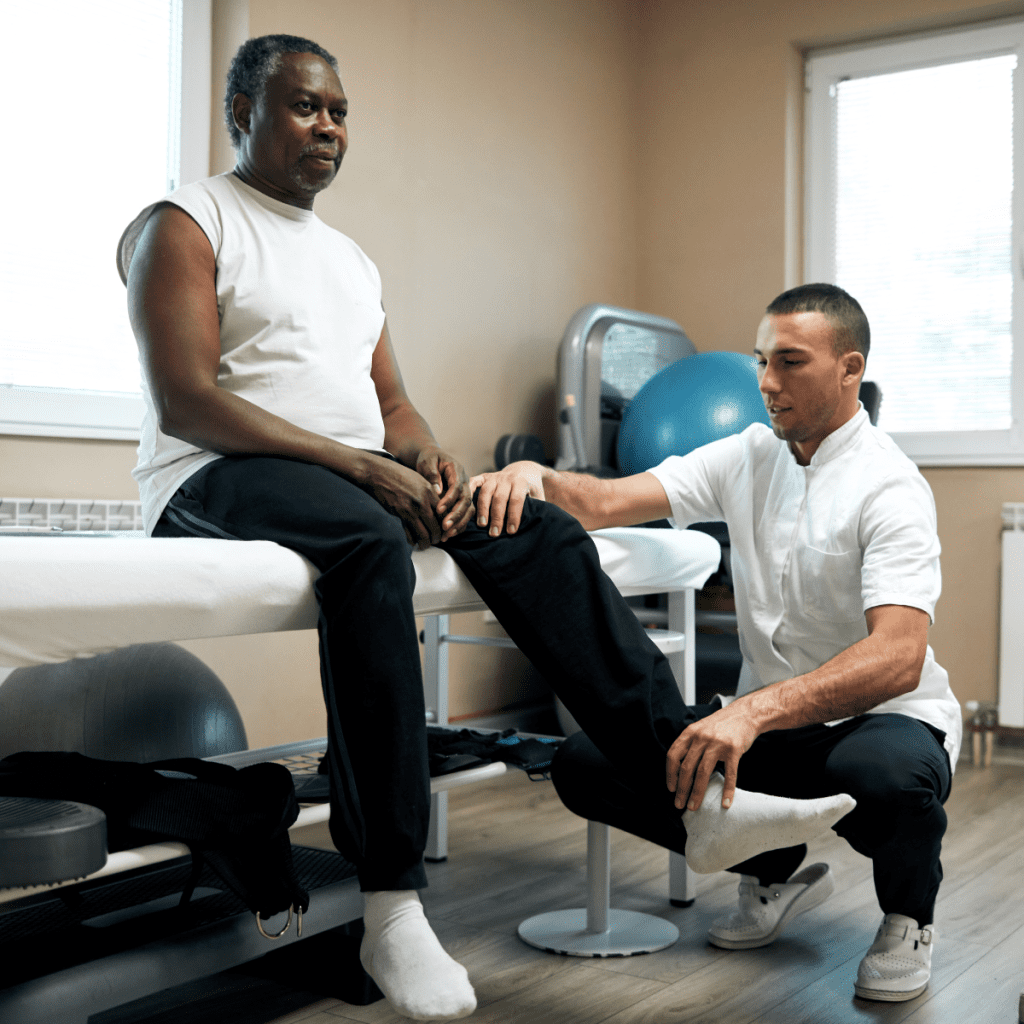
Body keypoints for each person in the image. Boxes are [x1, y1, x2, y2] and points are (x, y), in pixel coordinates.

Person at [118, 35, 854, 1021]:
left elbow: (395, 405)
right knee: (369, 543)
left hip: (353, 478)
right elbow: (187, 400)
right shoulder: (186, 221)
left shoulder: (349, 261)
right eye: (304, 107)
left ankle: (693, 791)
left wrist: (429, 463)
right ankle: (391, 898)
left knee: (542, 532)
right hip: (215, 476)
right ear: (240, 111)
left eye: (339, 110)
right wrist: (362, 468)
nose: (328, 126)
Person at [472, 283, 961, 1004]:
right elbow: (604, 500)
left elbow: (898, 656)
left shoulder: (890, 487)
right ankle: (775, 863)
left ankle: (909, 917)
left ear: (849, 369)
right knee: (584, 764)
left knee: (889, 775)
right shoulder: (747, 454)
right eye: (763, 360)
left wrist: (750, 714)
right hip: (766, 722)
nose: (765, 381)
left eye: (790, 362)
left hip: (881, 721)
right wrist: (533, 477)